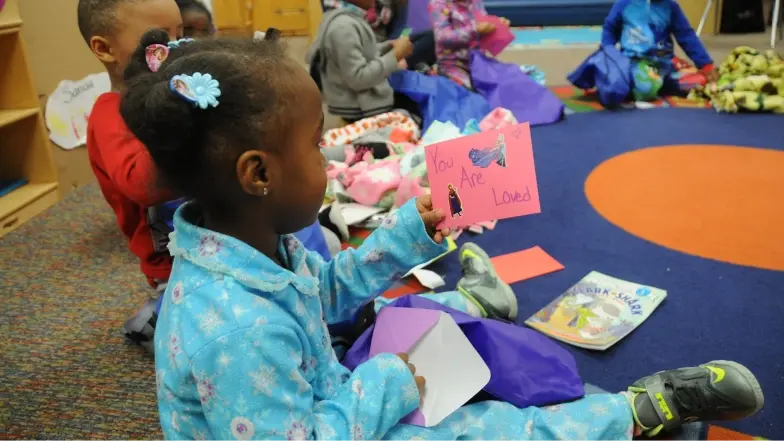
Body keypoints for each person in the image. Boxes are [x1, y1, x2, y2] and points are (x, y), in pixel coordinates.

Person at [121, 32, 764, 441]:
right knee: (480, 431)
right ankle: (638, 411)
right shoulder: (237, 327)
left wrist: (410, 230)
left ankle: (495, 328)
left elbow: (330, 290)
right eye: (317, 146)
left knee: (420, 335)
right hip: (329, 415)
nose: (328, 159)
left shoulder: (254, 247)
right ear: (258, 174)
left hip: (324, 395)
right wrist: (394, 383)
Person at [77, 0, 184, 351]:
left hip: (217, 242)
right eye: (158, 39)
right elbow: (141, 184)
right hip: (173, 264)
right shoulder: (110, 116)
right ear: (104, 48)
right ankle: (153, 319)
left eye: (180, 36)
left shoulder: (176, 93)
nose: (175, 50)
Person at [307, 0, 417, 122]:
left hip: (362, 99)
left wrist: (387, 47)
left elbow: (364, 52)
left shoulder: (350, 18)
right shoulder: (343, 28)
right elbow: (358, 78)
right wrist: (395, 56)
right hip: (359, 108)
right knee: (415, 113)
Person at [601, 0, 717, 99]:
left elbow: (686, 35)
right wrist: (608, 52)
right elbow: (610, 29)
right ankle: (653, 84)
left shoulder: (671, 6)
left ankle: (665, 81)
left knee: (702, 82)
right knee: (644, 89)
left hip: (664, 63)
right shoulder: (625, 3)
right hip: (634, 61)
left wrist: (705, 64)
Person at [323, 0, 438, 68]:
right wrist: (393, 60)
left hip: (385, 46)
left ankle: (403, 66)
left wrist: (397, 47)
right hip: (362, 55)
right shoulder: (340, 21)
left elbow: (398, 28)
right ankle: (401, 67)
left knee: (431, 38)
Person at [428, 0, 509, 89]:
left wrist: (497, 27)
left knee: (507, 84)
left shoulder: (476, 2)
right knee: (467, 94)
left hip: (479, 63)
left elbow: (484, 35)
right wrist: (475, 30)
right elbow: (442, 38)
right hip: (452, 65)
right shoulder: (438, 3)